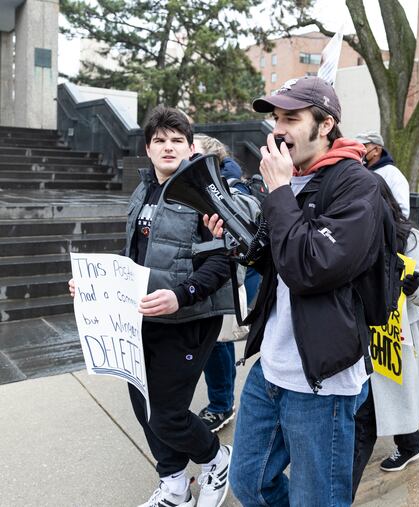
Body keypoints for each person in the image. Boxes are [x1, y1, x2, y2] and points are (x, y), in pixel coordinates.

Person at [207, 75, 383, 506]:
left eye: (291, 117)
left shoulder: (358, 186)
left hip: (323, 377)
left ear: (325, 125)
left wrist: (281, 191)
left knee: (316, 498)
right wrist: (239, 240)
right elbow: (278, 259)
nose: (278, 129)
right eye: (275, 119)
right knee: (248, 481)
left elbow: (312, 267)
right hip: (272, 365)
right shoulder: (287, 181)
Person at [70, 106, 235, 507]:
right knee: (144, 406)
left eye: (177, 140)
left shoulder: (206, 193)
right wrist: (93, 283)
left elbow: (225, 259)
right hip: (140, 317)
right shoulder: (144, 189)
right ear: (147, 148)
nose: (168, 147)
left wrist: (182, 294)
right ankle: (175, 486)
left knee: (167, 414)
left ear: (191, 147)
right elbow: (135, 254)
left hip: (189, 317)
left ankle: (216, 460)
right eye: (160, 140)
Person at [352, 178, 419, 496]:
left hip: (395, 338)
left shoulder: (408, 236)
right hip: (358, 335)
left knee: (370, 418)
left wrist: (410, 281)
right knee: (377, 408)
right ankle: (411, 442)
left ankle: (337, 495)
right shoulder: (347, 231)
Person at [193, 134, 261, 433]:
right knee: (211, 340)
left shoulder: (229, 189)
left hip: (227, 277)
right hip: (211, 275)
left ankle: (221, 405)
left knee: (216, 341)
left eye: (191, 151)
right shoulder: (208, 184)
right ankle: (221, 402)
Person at [355, 130, 411, 217]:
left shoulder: (393, 175)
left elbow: (402, 211)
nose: (359, 150)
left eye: (364, 146)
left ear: (377, 150)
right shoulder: (360, 170)